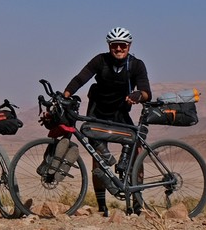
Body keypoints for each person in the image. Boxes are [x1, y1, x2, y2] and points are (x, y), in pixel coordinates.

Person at [63, 26, 151, 216]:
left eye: (122, 45)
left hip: (120, 114)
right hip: (97, 113)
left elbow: (146, 92)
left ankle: (138, 202)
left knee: (138, 151)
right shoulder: (100, 60)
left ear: (129, 46)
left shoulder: (136, 65)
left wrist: (138, 95)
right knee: (98, 158)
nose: (118, 49)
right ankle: (102, 206)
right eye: (115, 45)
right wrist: (66, 95)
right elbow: (80, 79)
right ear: (109, 46)